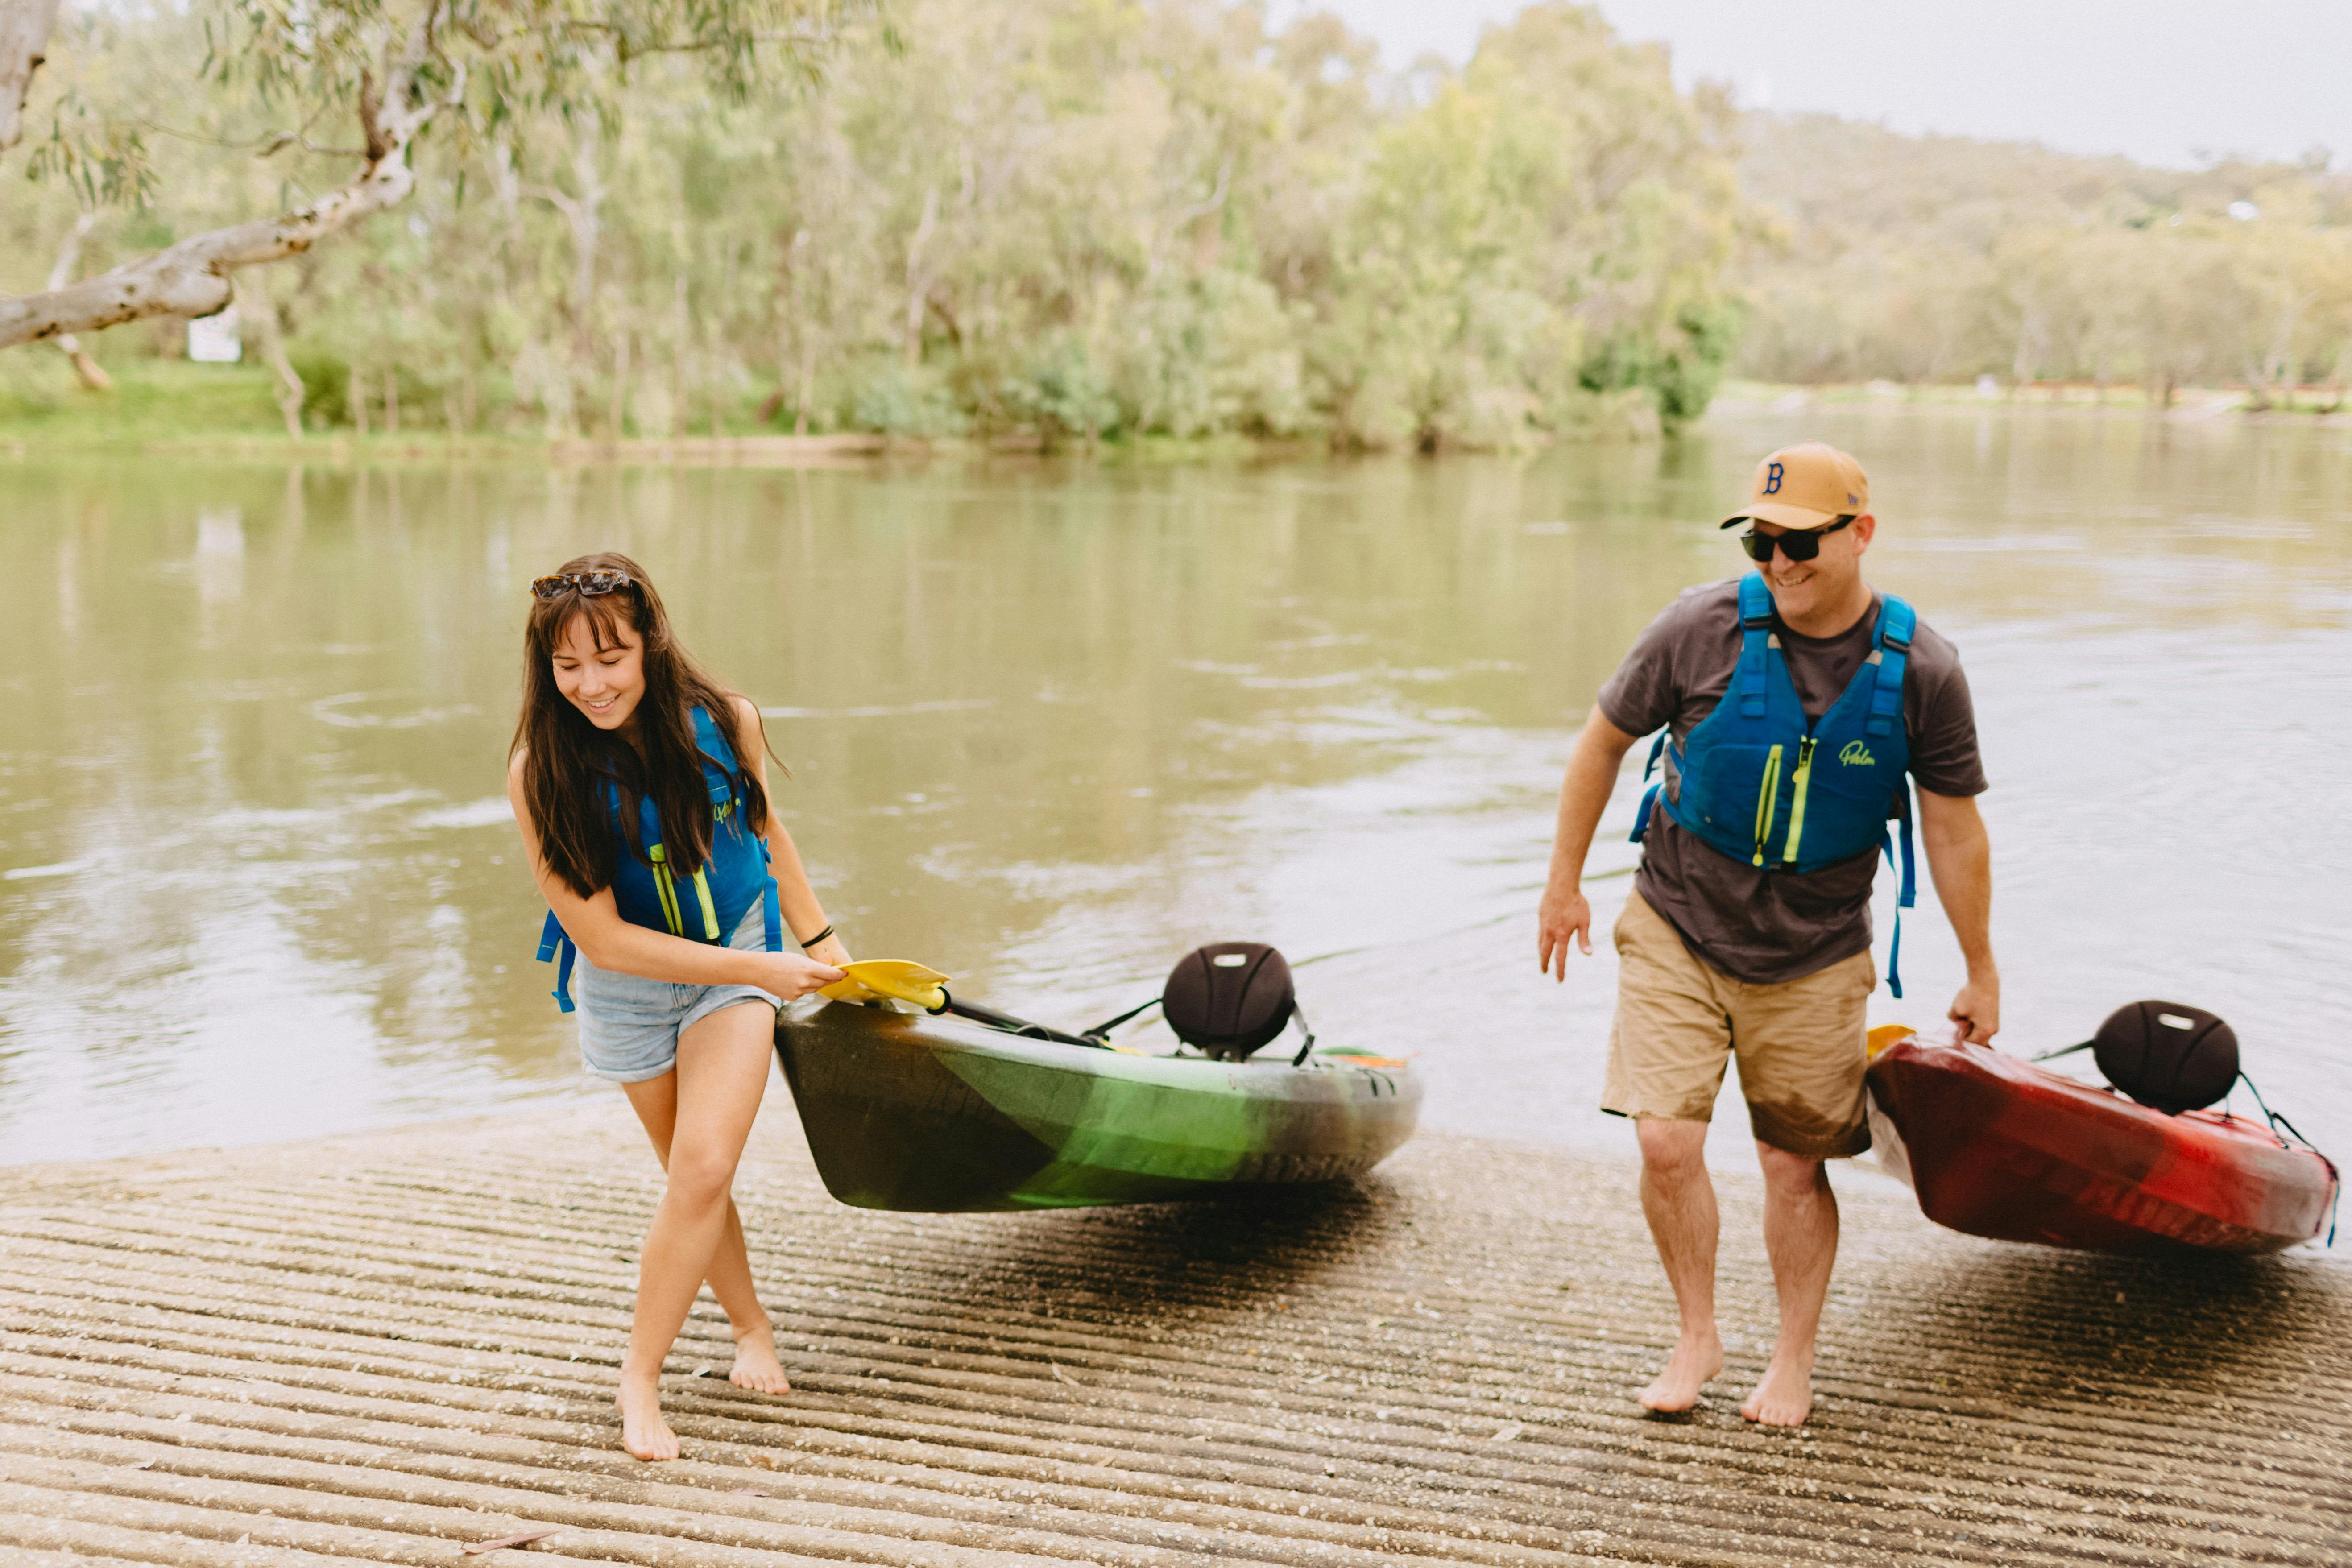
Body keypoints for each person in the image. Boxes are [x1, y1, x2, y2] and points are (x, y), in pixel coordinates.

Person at [1536, 442, 1996, 1427]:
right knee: (1665, 1140)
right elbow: (1600, 742)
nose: (1778, 563)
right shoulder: (1696, 629)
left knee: (1792, 1164)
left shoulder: (1923, 672)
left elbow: (1953, 827)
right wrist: (1562, 884)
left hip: (1815, 949)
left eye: (1799, 543)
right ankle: (1695, 1333)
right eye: (1760, 541)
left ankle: (1791, 1361)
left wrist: (1980, 968)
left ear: (1859, 534)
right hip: (1676, 919)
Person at [506, 552, 849, 1461]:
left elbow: (768, 834)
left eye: (610, 659)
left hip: (738, 955)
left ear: (650, 642)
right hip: (625, 986)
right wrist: (777, 972)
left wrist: (815, 948)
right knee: (691, 1184)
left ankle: (639, 1377)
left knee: (701, 1166)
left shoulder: (726, 720)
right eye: (568, 667)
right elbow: (606, 941)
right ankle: (750, 1328)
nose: (591, 684)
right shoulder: (539, 767)